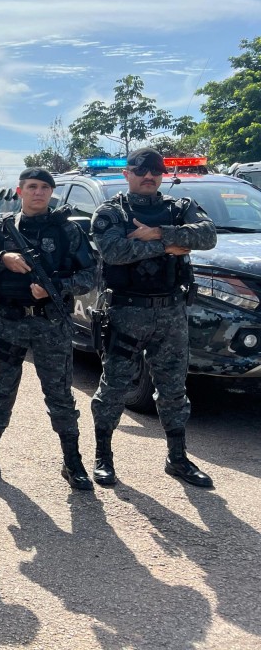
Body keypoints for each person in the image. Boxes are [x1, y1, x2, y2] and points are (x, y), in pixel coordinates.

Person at [90, 147, 217, 488]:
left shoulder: (180, 208)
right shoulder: (111, 212)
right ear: (127, 174)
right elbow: (114, 252)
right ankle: (103, 457)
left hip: (171, 312)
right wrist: (170, 245)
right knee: (114, 387)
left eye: (156, 171)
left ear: (163, 175)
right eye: (140, 170)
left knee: (173, 388)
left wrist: (156, 233)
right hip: (126, 312)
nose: (149, 176)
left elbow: (207, 235)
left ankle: (177, 458)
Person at [0, 167, 97, 491]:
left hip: (51, 323)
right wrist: (2, 259)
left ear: (51, 193)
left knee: (60, 394)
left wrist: (58, 287)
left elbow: (91, 275)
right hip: (8, 323)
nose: (38, 193)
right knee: (1, 392)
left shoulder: (67, 231)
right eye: (32, 187)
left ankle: (72, 461)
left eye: (45, 188)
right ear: (20, 191)